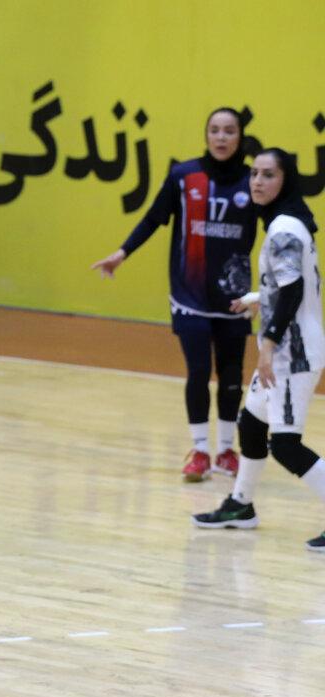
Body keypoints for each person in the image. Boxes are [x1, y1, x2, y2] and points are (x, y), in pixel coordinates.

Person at [92, 107, 256, 481]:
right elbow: (154, 218)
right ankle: (200, 452)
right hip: (190, 295)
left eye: (229, 131)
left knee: (232, 375)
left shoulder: (252, 181)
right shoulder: (184, 176)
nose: (221, 137)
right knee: (198, 372)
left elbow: (279, 223)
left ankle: (226, 451)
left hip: (233, 297)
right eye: (214, 130)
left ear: (240, 137)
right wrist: (122, 252)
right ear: (206, 135)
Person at [193, 149, 325, 551]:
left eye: (268, 175)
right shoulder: (288, 221)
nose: (257, 182)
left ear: (285, 181)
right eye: (254, 174)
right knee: (251, 425)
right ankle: (241, 504)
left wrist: (267, 345)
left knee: (285, 445)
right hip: (286, 350)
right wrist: (258, 297)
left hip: (292, 355)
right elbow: (287, 286)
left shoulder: (283, 229)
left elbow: (293, 292)